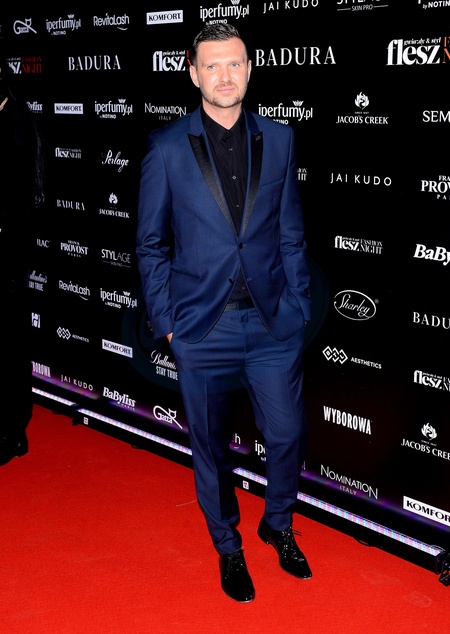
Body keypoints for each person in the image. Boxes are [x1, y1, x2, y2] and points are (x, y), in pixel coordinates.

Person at [136, 23, 311, 603]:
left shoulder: (280, 138)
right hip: (201, 327)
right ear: (193, 74)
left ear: (250, 68)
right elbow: (150, 244)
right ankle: (228, 547)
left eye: (234, 63)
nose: (224, 75)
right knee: (210, 448)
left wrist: (298, 304)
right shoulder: (166, 147)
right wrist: (168, 323)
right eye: (211, 65)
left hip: (272, 322)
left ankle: (277, 524)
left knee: (286, 435)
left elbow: (290, 231)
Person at [0, 58, 45, 466]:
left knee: (10, 344)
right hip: (8, 251)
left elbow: (18, 206)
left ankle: (13, 431)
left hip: (9, 257)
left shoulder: (14, 125)